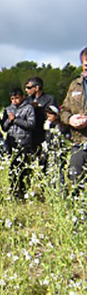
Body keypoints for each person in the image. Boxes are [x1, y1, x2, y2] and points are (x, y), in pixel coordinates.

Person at [2, 86, 41, 200]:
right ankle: (14, 192)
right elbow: (4, 127)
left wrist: (16, 120)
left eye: (17, 98)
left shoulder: (28, 108)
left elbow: (30, 125)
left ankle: (23, 192)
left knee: (24, 169)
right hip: (11, 142)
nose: (15, 101)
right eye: (13, 98)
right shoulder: (8, 109)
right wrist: (9, 120)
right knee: (12, 169)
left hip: (24, 142)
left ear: (23, 97)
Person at [60, 47, 87, 195]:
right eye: (85, 64)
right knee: (75, 179)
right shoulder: (74, 85)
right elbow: (64, 110)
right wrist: (70, 119)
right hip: (78, 141)